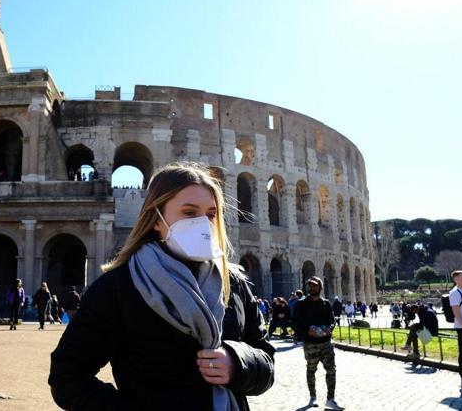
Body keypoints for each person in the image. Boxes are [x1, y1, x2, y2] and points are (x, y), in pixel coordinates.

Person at [49, 163, 275, 410]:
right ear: (156, 219)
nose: (203, 224)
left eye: (210, 214)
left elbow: (265, 359)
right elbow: (67, 377)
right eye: (189, 213)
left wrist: (237, 361)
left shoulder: (233, 283)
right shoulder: (117, 287)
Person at [292, 277, 343, 410]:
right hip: (310, 344)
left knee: (331, 370)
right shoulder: (301, 304)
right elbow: (295, 322)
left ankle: (331, 399)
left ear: (320, 287)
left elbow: (332, 321)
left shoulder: (326, 304)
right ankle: (312, 397)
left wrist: (328, 329)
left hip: (326, 343)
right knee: (311, 370)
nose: (312, 288)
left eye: (315, 286)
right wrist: (307, 331)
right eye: (310, 286)